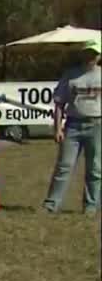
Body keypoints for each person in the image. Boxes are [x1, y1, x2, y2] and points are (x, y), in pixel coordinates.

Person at [42, 38, 101, 214]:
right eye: (88, 53)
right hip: (73, 125)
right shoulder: (70, 75)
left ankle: (90, 207)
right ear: (82, 55)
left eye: (94, 54)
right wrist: (58, 128)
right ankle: (51, 205)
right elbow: (59, 103)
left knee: (96, 169)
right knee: (64, 166)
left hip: (97, 125)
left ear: (99, 56)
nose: (91, 57)